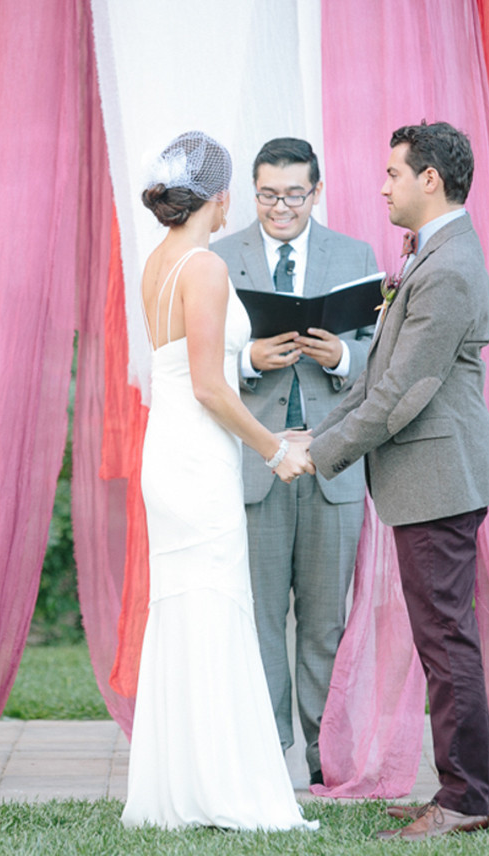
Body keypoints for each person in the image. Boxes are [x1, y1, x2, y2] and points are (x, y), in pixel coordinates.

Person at [308, 121, 489, 841]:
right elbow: (380, 378)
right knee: (443, 641)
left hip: (439, 480)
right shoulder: (436, 255)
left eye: (394, 173)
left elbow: (401, 396)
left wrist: (320, 454)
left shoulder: (449, 266)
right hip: (428, 480)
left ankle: (463, 799)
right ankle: (468, 789)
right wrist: (317, 436)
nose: (383, 185)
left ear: (431, 179)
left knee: (447, 643)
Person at [121, 131, 318, 831]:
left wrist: (250, 368)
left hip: (168, 452)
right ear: (225, 196)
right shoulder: (203, 267)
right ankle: (220, 786)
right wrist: (272, 448)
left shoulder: (159, 261)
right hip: (197, 459)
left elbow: (187, 371)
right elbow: (208, 385)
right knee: (212, 608)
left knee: (188, 613)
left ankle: (185, 784)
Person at [214, 138, 378, 785]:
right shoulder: (221, 259)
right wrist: (248, 360)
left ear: (317, 191)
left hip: (330, 464)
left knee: (323, 620)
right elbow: (195, 360)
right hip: (257, 461)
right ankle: (264, 758)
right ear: (253, 192)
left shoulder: (354, 257)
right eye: (267, 194)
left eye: (293, 194)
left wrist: (338, 355)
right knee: (256, 618)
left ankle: (323, 760)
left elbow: (378, 363)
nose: (280, 207)